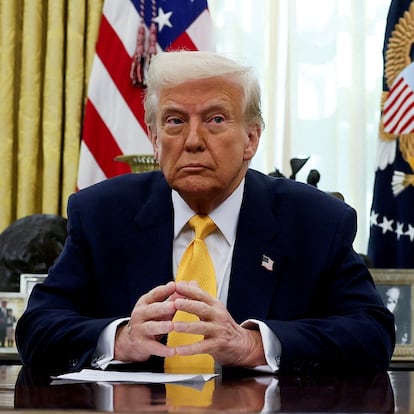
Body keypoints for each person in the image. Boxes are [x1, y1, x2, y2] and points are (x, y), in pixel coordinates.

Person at [15, 51, 395, 376]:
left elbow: (371, 334)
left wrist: (252, 345)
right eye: (175, 121)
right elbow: (37, 328)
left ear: (251, 138)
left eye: (215, 120)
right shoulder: (102, 214)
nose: (193, 140)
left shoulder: (314, 221)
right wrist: (121, 338)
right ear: (154, 138)